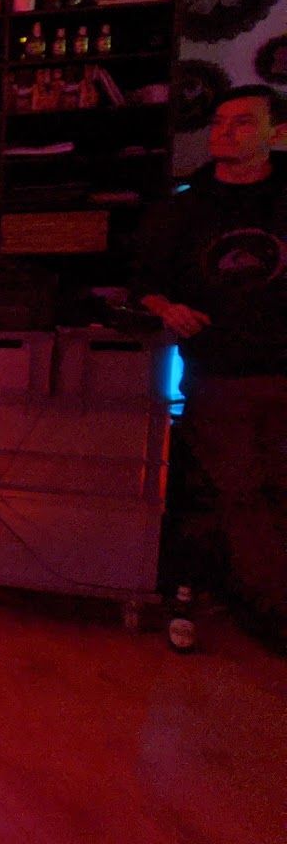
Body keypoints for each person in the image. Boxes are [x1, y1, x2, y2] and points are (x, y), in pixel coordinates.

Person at [134, 84, 287, 639]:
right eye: (219, 122)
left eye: (242, 122)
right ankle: (267, 611)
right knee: (239, 493)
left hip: (281, 367)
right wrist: (168, 308)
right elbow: (145, 285)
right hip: (220, 371)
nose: (224, 132)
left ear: (277, 133)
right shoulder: (185, 208)